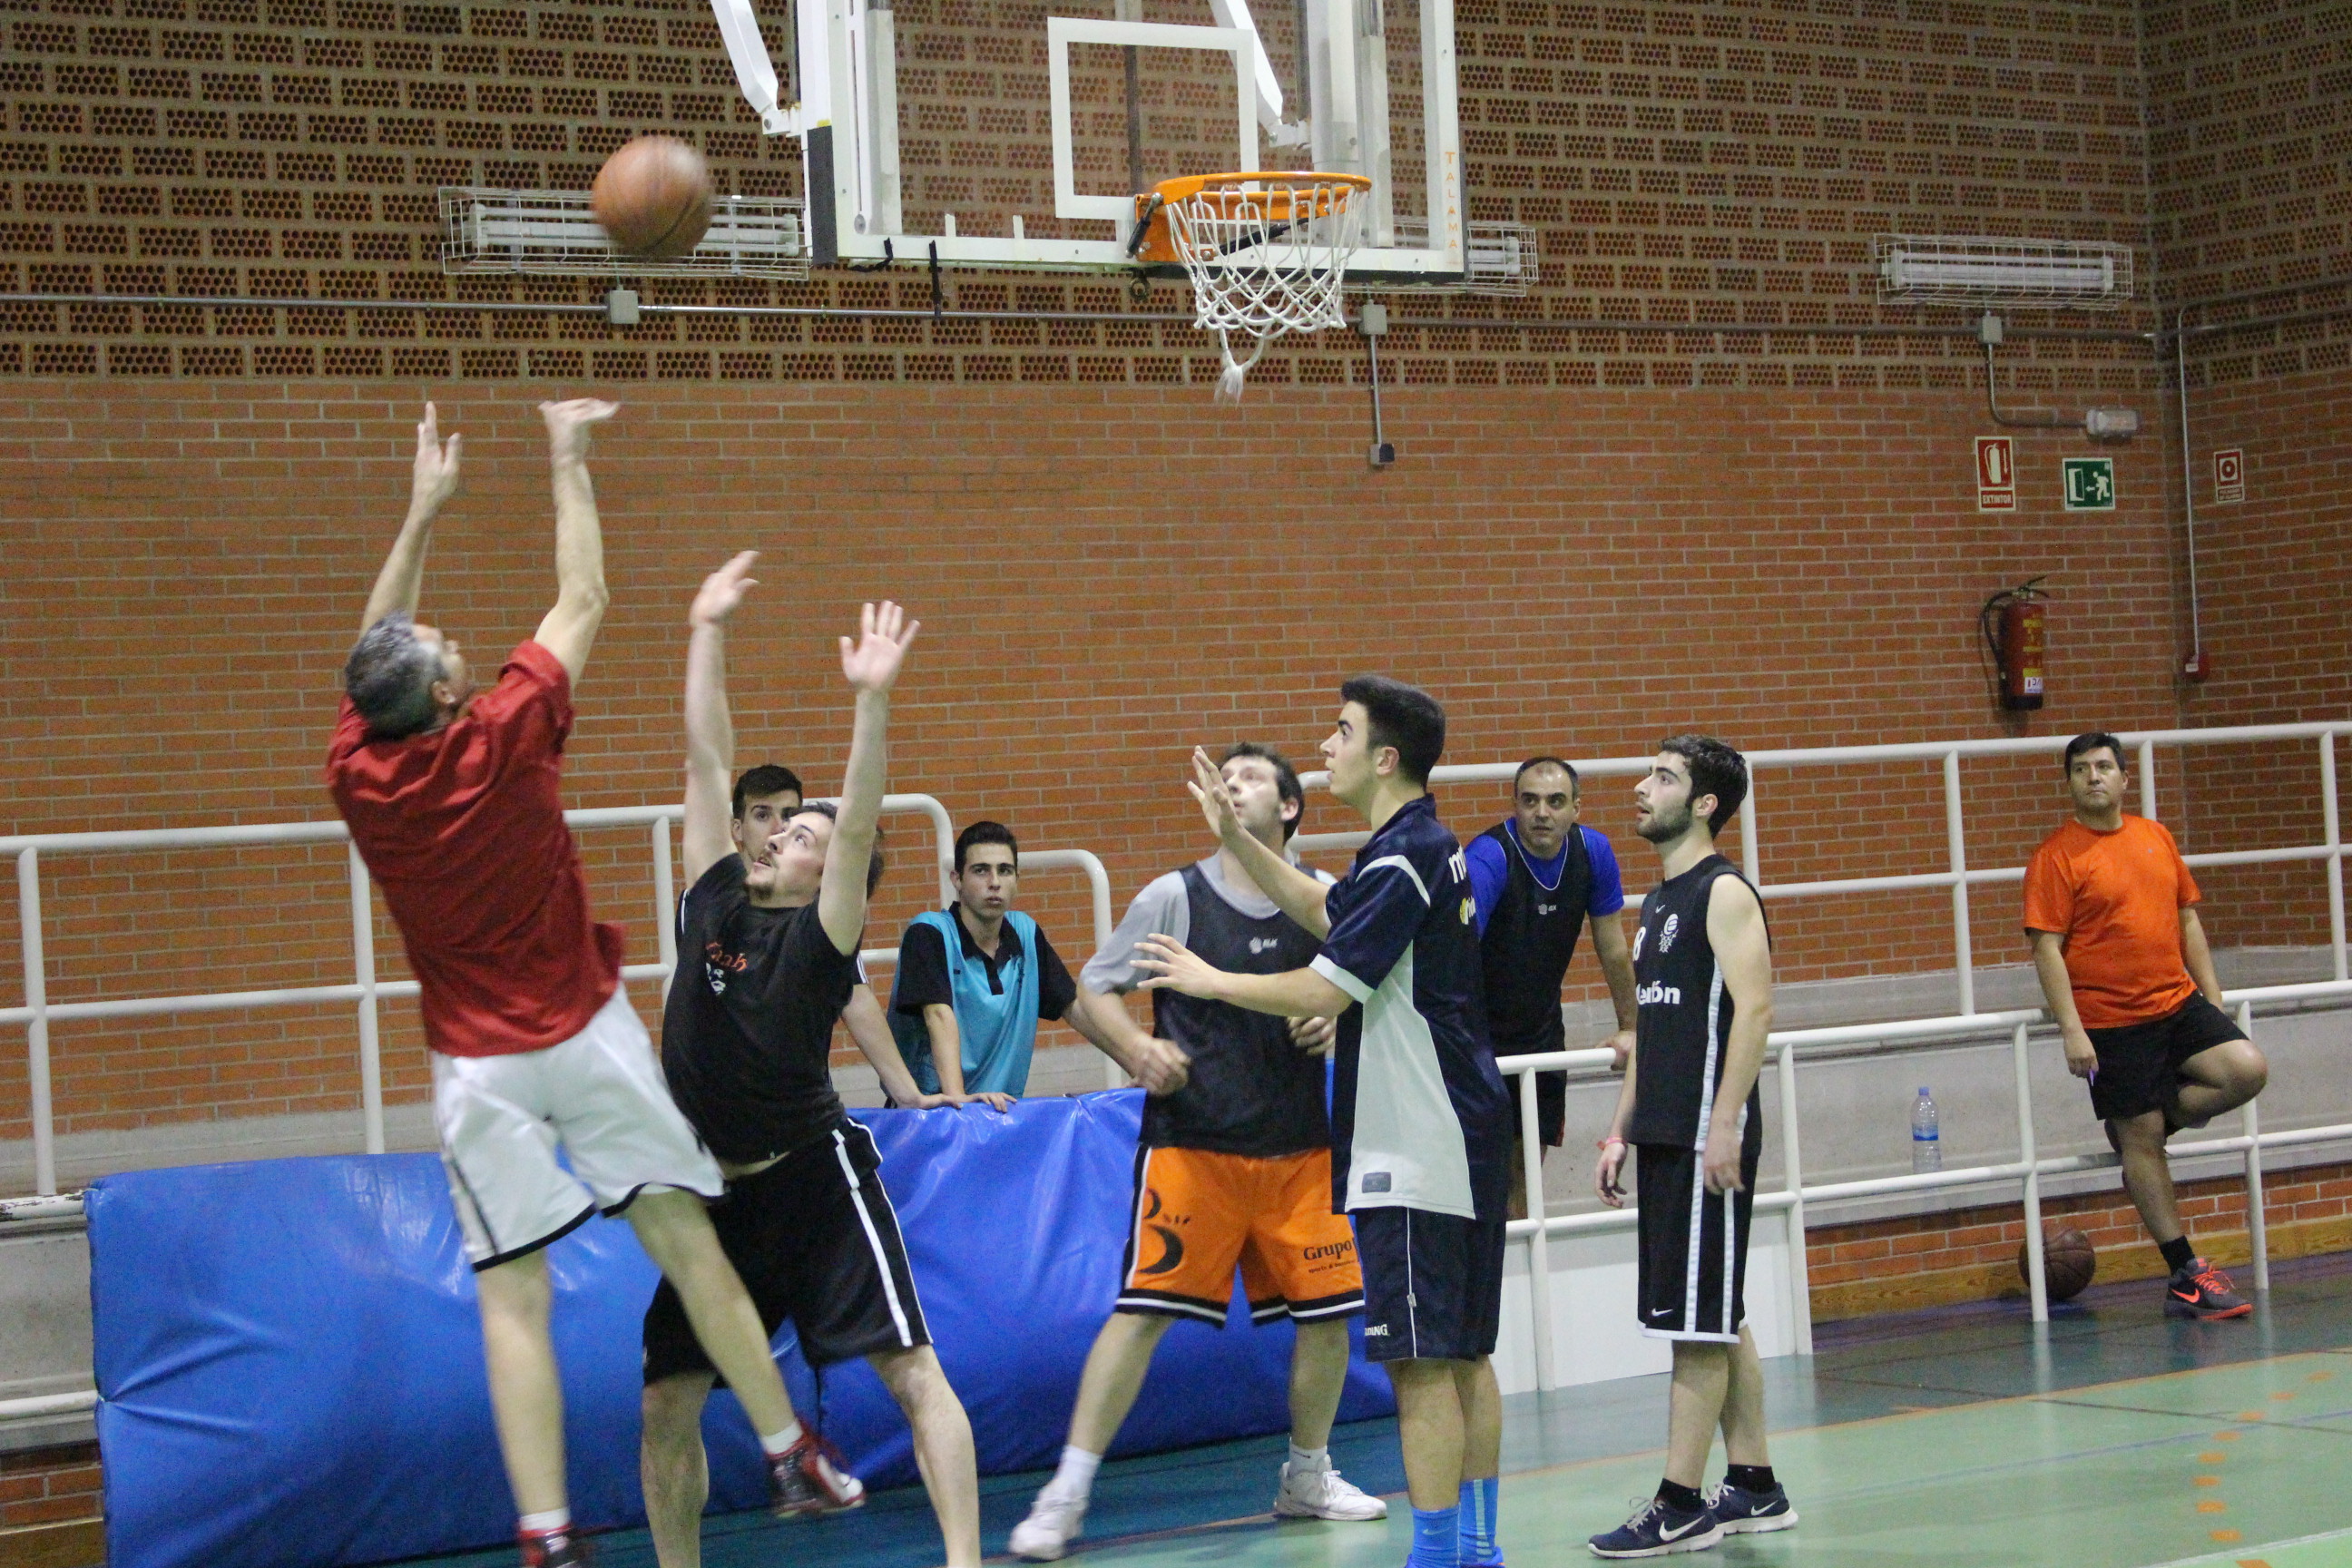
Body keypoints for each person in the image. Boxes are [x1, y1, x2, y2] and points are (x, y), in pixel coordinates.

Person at [327, 405, 815, 1568]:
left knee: (513, 1296)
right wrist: (567, 459)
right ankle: (788, 1446)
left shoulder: (356, 772)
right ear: (450, 697)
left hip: (476, 1068)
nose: (447, 637)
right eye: (443, 646)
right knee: (683, 1236)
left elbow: (374, 648)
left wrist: (422, 513)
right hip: (584, 1037)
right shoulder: (504, 732)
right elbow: (583, 595)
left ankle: (545, 1530)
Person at [640, 554, 986, 1568]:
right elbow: (706, 761)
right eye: (781, 825)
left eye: (801, 833)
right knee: (666, 1402)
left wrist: (871, 705)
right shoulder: (714, 899)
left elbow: (860, 819)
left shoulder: (822, 936)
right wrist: (706, 631)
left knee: (912, 1374)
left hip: (813, 1184)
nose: (780, 836)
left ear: (833, 870)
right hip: (712, 1196)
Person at [1133, 679, 1513, 1568]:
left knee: (1423, 1365)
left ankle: (1438, 1557)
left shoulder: (1401, 858)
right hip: (1458, 1127)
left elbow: (1321, 988)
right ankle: (1479, 1550)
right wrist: (1238, 840)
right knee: (1463, 1357)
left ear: (1386, 757)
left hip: (1419, 1140)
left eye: (1341, 732)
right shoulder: (1417, 848)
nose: (1325, 746)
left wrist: (1210, 980)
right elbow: (1324, 912)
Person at [1008, 744, 1387, 1562]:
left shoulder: (1321, 897)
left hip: (1299, 1148)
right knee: (1141, 1314)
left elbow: (1370, 988)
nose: (1232, 785)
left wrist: (1335, 1018)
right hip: (1194, 1146)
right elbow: (1095, 988)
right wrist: (1135, 1048)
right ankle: (1065, 1493)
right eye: (1227, 776)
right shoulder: (1172, 896)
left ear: (1290, 807)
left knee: (1330, 1320)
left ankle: (1307, 1474)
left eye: (1251, 778)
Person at [1588, 736, 1797, 1558]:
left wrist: (1725, 1124)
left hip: (1709, 1133)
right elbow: (1649, 1031)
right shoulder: (1658, 903)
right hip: (1666, 1131)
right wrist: (1621, 1127)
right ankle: (1754, 1484)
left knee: (1698, 1328)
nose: (1642, 787)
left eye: (1664, 777)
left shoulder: (1725, 892)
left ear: (1705, 803)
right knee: (1719, 1311)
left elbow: (1757, 1009)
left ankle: (1677, 1504)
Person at [2024, 731, 2269, 1319]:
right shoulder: (2055, 857)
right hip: (2111, 1022)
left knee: (2247, 1070)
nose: (2093, 776)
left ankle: (2146, 1129)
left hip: (2178, 1004)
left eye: (2103, 766)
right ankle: (2185, 1272)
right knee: (2143, 1141)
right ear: (2069, 782)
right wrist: (2072, 1030)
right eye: (2080, 769)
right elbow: (2046, 949)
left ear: (2124, 778)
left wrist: (2212, 998)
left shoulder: (2155, 837)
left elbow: (2188, 919)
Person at [721, 762, 990, 1110]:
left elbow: (856, 999)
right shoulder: (707, 902)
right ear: (737, 828)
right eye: (763, 815)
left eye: (789, 820)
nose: (775, 831)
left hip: (793, 1112)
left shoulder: (820, 927)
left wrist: (908, 1094)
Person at [1465, 757, 1639, 1219]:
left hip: (1541, 1032)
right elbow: (1455, 954)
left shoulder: (1593, 852)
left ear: (1576, 808)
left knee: (1525, 1178)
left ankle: (1521, 1259)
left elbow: (1614, 949)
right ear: (1515, 805)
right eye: (1530, 801)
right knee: (1487, 1181)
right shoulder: (1488, 857)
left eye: (1555, 801)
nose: (1542, 812)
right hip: (1478, 1036)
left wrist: (1631, 1027)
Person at [887, 821, 1090, 1103]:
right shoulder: (928, 932)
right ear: (957, 879)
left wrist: (1139, 1060)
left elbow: (1075, 1008)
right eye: (981, 870)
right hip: (933, 1112)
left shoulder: (1026, 933)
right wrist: (959, 1102)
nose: (994, 882)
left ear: (1016, 879)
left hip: (999, 1111)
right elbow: (938, 1015)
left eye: (1004, 870)